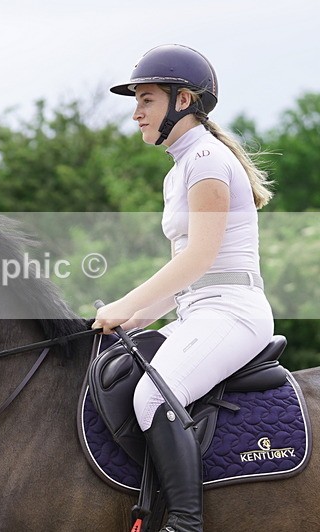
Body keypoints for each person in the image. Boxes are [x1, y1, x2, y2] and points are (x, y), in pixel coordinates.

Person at [93, 44, 275, 532]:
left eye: (146, 100)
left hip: (233, 313)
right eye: (137, 102)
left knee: (153, 397)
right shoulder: (180, 168)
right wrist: (136, 319)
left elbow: (201, 258)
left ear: (183, 100)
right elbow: (185, 275)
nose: (136, 114)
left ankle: (185, 523)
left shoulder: (208, 160)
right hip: (199, 312)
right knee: (114, 373)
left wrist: (125, 302)